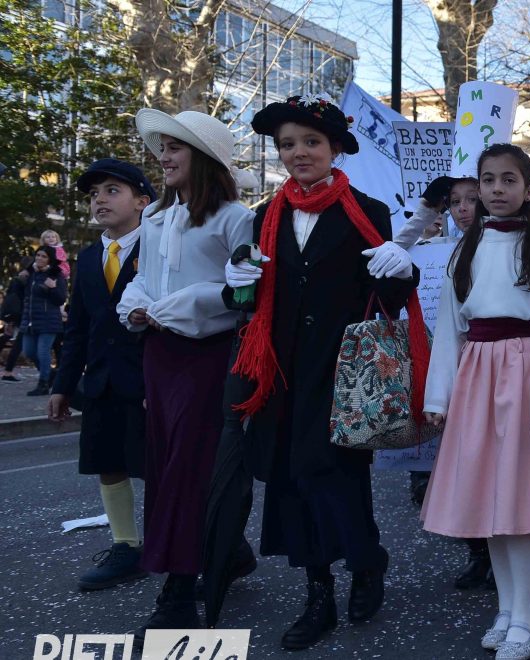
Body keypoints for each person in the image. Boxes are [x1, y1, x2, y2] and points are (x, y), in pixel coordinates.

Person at [221, 93, 420, 649]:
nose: (299, 152)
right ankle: (318, 592)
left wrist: (404, 270)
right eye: (288, 144)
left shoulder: (368, 211)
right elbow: (246, 300)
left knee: (336, 479)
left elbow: (387, 298)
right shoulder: (265, 216)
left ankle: (365, 560)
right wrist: (235, 280)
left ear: (335, 148)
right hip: (281, 373)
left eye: (311, 142)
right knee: (294, 484)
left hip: (343, 375)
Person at [422, 143, 530, 660]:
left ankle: (527, 613)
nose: (496, 189)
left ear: (528, 190)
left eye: (509, 180)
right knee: (489, 495)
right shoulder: (462, 252)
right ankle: (508, 610)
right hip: (477, 377)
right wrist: (439, 394)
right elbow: (449, 329)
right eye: (488, 180)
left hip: (524, 377)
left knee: (518, 501)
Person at [117, 108, 255, 639]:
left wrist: (189, 302)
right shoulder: (154, 218)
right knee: (167, 463)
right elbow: (143, 279)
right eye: (163, 148)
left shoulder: (235, 218)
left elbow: (244, 293)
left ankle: (177, 593)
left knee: (188, 468)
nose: (163, 157)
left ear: (203, 157)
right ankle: (230, 550)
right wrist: (136, 306)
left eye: (175, 148)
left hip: (209, 356)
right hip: (160, 355)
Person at [48, 159, 155, 589]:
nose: (99, 200)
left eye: (112, 191)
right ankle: (126, 547)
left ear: (142, 201)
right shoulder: (91, 256)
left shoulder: (160, 246)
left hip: (149, 381)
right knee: (108, 463)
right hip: (102, 381)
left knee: (159, 466)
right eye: (94, 195)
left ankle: (193, 544)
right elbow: (78, 328)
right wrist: (62, 385)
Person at [393, 176, 497, 591]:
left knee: (491, 465)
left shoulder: (508, 246)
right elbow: (394, 248)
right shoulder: (439, 250)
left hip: (491, 367)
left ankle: (503, 552)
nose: (463, 208)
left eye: (472, 199)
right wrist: (425, 210)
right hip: (447, 365)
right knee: (452, 471)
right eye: (454, 202)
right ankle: (479, 552)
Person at [22, 245, 67, 396]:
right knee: (29, 351)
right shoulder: (30, 274)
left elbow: (61, 299)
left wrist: (53, 288)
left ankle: (43, 384)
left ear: (50, 259)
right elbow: (22, 295)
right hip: (30, 320)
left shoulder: (56, 275)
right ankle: (50, 373)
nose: (40, 258)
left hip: (48, 321)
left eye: (44, 256)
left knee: (43, 352)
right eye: (38, 255)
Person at [1, 258, 32, 382]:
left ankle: (8, 371)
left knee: (9, 336)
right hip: (21, 313)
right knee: (19, 342)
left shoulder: (18, 278)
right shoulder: (26, 278)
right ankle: (8, 371)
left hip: (15, 313)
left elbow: (10, 296)